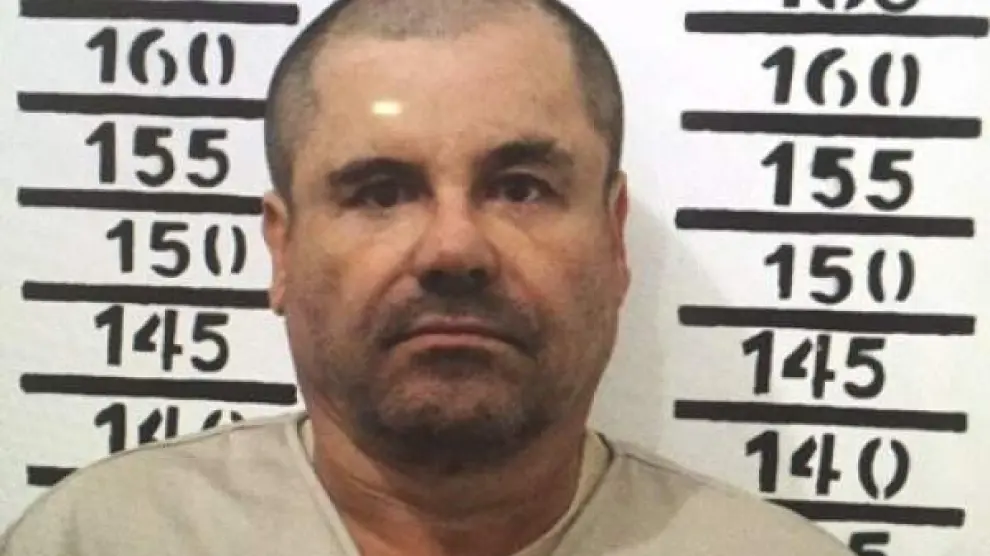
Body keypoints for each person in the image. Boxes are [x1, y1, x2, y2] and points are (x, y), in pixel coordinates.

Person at [1, 1, 853, 554]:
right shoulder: (97, 539)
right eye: (380, 192)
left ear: (613, 238)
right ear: (283, 250)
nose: (453, 249)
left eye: (521, 188)